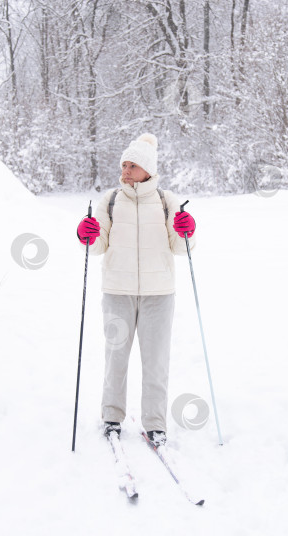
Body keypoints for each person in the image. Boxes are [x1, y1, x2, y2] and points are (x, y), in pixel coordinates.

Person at [76, 133, 196, 447]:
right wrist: (86, 234)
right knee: (116, 357)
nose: (126, 170)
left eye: (133, 165)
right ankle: (112, 418)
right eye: (124, 165)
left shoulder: (166, 201)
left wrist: (186, 231)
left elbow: (181, 247)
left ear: (148, 169)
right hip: (118, 291)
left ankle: (155, 424)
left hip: (159, 293)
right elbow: (97, 244)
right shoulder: (111, 200)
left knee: (156, 361)